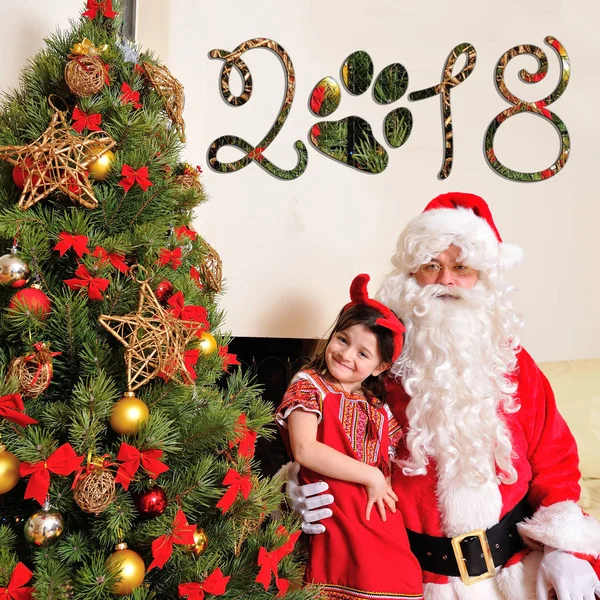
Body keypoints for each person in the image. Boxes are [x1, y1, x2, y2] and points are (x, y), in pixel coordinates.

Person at [285, 193, 600, 600]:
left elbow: (555, 461)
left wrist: (565, 547)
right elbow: (323, 438)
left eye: (461, 267)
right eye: (431, 265)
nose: (446, 280)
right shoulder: (375, 371)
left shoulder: (512, 362)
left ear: (482, 278)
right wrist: (297, 491)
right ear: (410, 276)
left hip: (516, 573)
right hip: (411, 580)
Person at [276, 273, 423, 600]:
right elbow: (304, 448)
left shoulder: (378, 408)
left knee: (404, 584)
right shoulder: (309, 384)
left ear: (380, 367)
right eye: (342, 340)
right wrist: (370, 474)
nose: (346, 355)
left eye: (363, 353)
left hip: (381, 524)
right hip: (336, 518)